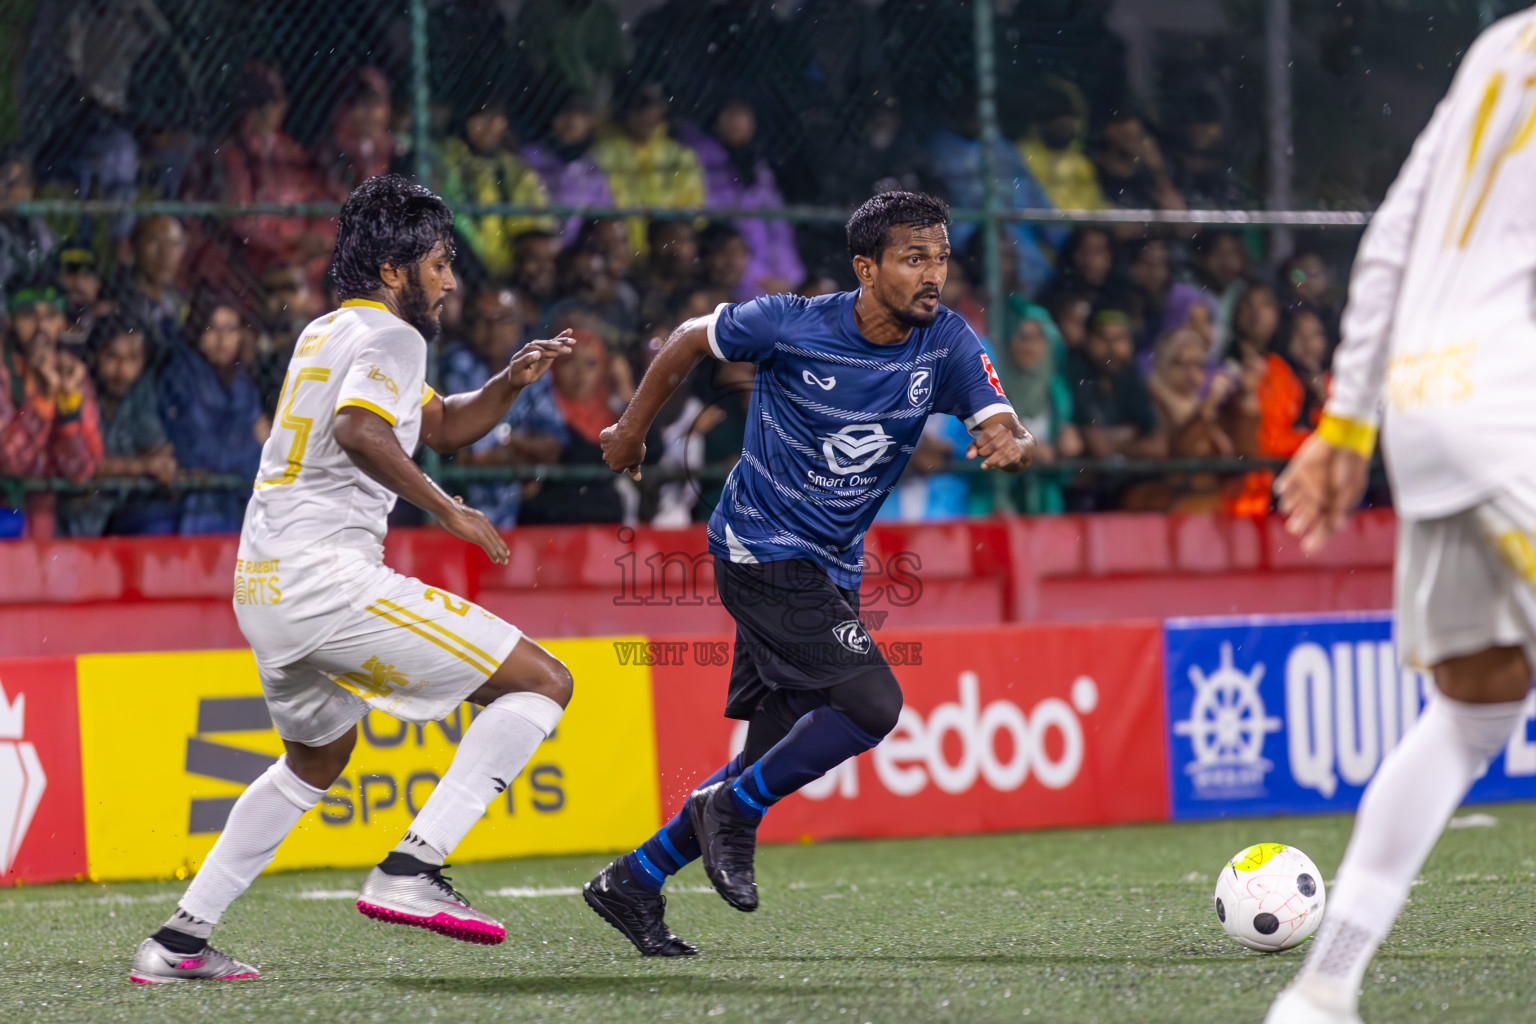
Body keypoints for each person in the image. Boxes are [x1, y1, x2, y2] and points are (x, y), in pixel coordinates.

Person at [129, 175, 575, 983]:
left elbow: (435, 425)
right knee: (543, 682)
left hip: (263, 588)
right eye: (439, 263)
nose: (450, 279)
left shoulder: (328, 332)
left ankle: (178, 941)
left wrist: (509, 384)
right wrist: (452, 513)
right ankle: (413, 868)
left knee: (317, 759)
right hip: (325, 581)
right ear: (397, 269)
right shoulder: (397, 341)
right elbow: (362, 430)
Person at [585, 191, 1033, 956]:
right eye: (913, 258)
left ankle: (634, 880)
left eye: (941, 258)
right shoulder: (792, 322)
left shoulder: (946, 340)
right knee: (871, 702)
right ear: (866, 267)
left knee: (767, 754)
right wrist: (631, 429)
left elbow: (993, 408)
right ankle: (733, 808)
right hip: (758, 551)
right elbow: (692, 337)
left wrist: (1005, 434)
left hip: (830, 568)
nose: (934, 275)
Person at [1264, 16, 1536, 1022]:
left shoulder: (1501, 45)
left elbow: (1391, 235)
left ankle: (1323, 986)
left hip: (1429, 400)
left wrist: (1347, 422)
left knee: (1476, 707)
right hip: (1516, 398)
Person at [156, 296, 268, 534]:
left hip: (237, 505)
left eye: (230, 329)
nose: (222, 339)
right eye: (212, 329)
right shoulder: (181, 375)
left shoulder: (243, 383)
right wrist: (251, 442)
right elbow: (199, 452)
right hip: (194, 507)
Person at [0, 284, 103, 537]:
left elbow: (80, 470)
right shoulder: (4, 372)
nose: (40, 327)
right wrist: (43, 400)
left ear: (62, 323)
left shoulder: (70, 371)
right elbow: (10, 463)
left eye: (50, 316)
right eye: (27, 315)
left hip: (46, 515)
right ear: (9, 322)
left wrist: (68, 408)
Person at [62, 317, 178, 537]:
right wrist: (141, 466)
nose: (122, 369)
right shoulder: (80, 392)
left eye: (133, 358)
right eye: (112, 356)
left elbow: (158, 449)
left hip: (118, 513)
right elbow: (86, 464)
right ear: (95, 357)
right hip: (76, 517)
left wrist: (159, 461)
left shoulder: (138, 395)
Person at [680, 96, 804, 298]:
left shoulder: (759, 169)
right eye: (730, 113)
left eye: (744, 115)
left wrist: (789, 277)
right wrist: (758, 277)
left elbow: (779, 231)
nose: (737, 122)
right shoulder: (700, 160)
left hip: (770, 279)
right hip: (728, 273)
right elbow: (715, 230)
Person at [439, 93, 554, 278]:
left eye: (497, 116)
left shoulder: (515, 169)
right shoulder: (445, 160)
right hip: (460, 269)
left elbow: (534, 226)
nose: (490, 124)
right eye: (482, 116)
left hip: (510, 273)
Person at [589, 81, 705, 256]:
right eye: (640, 107)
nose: (649, 115)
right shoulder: (602, 153)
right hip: (619, 252)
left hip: (664, 253)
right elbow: (602, 206)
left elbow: (694, 211)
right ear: (626, 111)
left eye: (656, 107)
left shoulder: (681, 156)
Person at [114, 214, 188, 355]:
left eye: (174, 243)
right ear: (133, 247)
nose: (166, 253)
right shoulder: (119, 303)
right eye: (154, 241)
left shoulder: (182, 303)